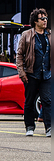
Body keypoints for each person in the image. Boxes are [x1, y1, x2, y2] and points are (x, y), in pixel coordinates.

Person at [16, 8, 51, 138]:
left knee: (47, 101)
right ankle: (29, 126)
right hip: (31, 74)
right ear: (35, 21)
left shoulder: (49, 35)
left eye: (46, 18)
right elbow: (19, 55)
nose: (45, 21)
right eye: (42, 18)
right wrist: (22, 73)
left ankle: (49, 127)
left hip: (47, 74)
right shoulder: (27, 35)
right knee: (29, 101)